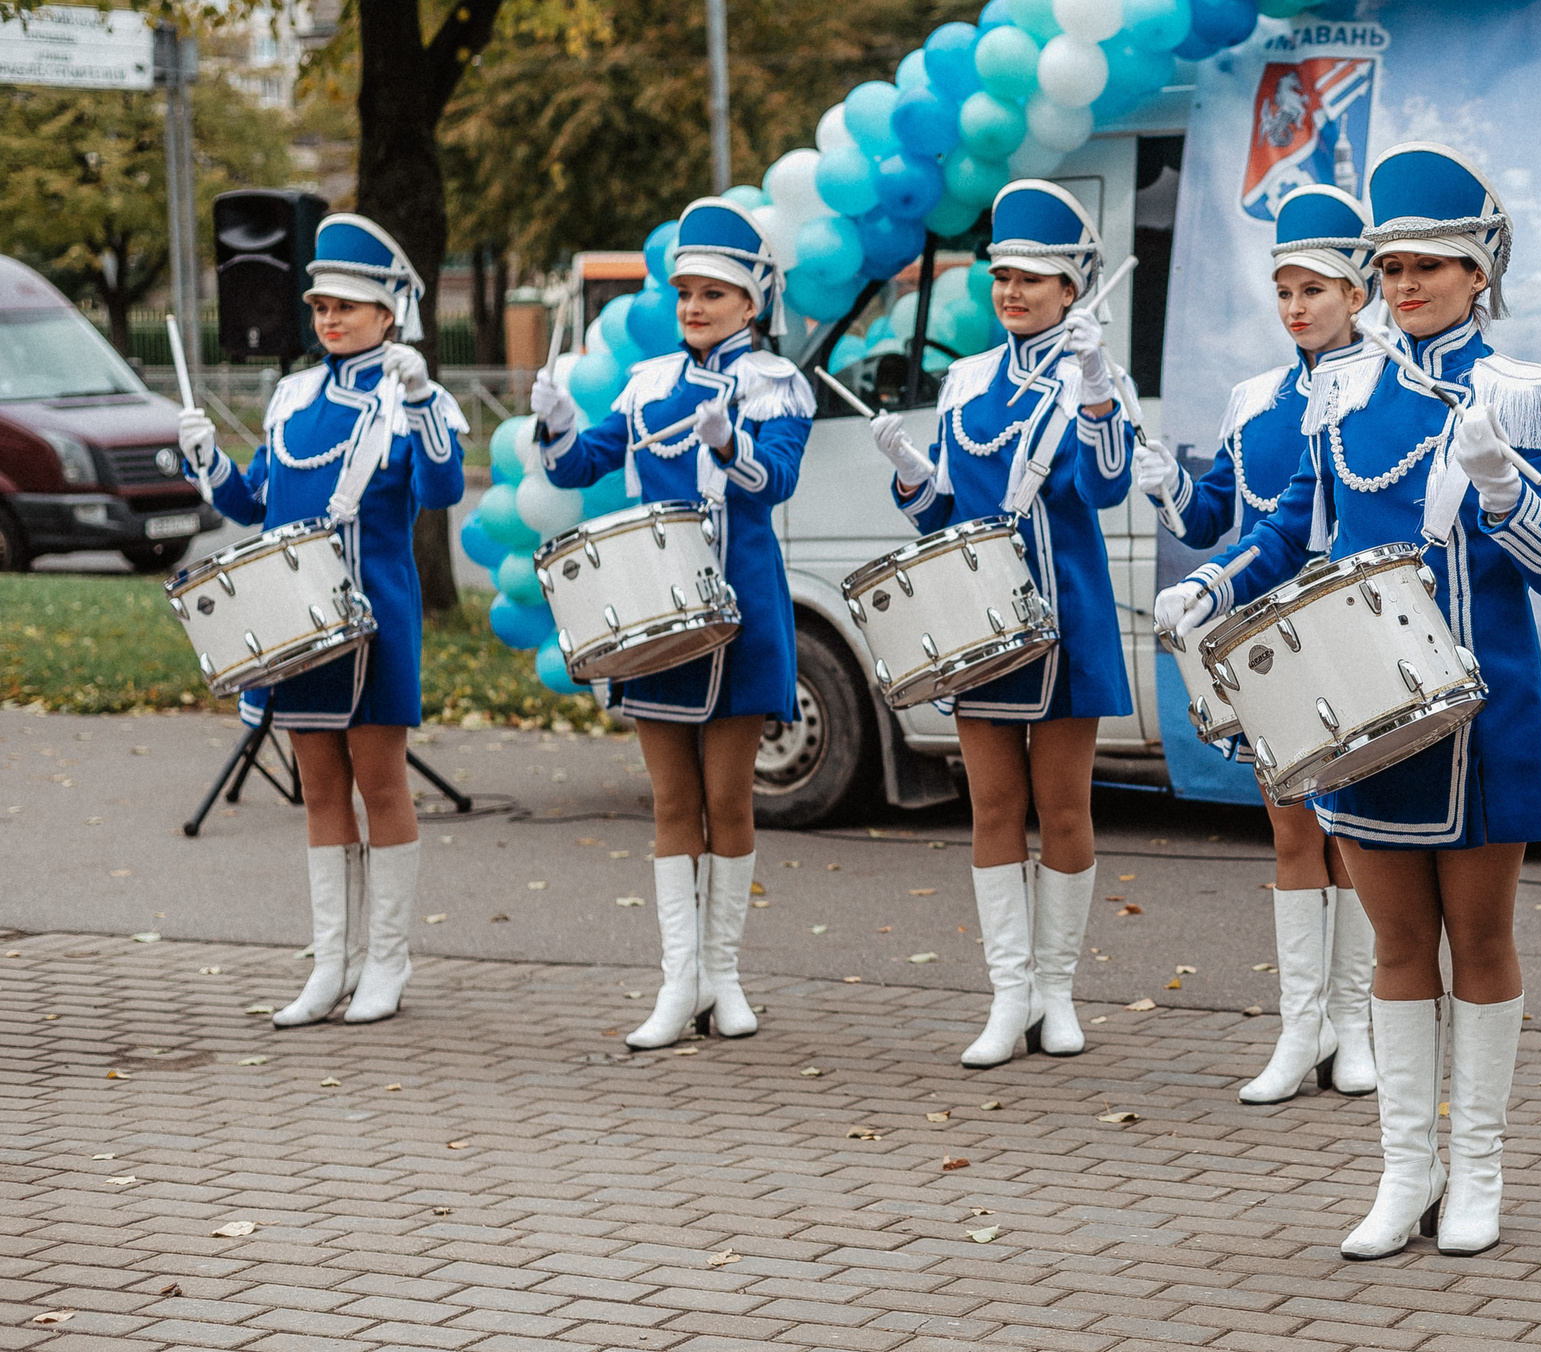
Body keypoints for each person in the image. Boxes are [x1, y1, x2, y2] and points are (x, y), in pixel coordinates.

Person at [1156, 144, 1541, 1260]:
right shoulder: (1340, 390)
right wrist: (1212, 578)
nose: (1404, 286)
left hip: (1486, 709)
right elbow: (1287, 525)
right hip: (1359, 704)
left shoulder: (1523, 395)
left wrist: (1506, 491)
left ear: (1478, 273)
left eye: (1429, 267)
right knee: (1399, 941)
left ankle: (1480, 1168)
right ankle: (1406, 1169)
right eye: (1390, 266)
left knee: (1479, 938)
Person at [532, 198, 814, 1051]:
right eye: (686, 291)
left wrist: (733, 447)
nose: (694, 306)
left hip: (742, 612)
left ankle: (723, 978)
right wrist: (555, 420)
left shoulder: (778, 384)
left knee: (729, 800)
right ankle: (675, 981)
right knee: (670, 802)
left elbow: (778, 484)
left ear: (752, 304)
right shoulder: (648, 381)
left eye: (714, 294)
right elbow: (584, 465)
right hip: (655, 617)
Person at [176, 214, 468, 1028]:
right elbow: (254, 501)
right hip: (294, 624)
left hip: (375, 618)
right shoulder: (294, 395)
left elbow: (441, 491)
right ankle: (331, 963)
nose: (329, 320)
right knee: (318, 790)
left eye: (347, 306)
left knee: (381, 782)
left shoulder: (415, 397)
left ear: (390, 312)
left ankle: (389, 960)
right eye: (320, 307)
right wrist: (208, 462)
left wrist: (417, 396)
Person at [866, 180, 1134, 1068]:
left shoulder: (1094, 375)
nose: (1013, 292)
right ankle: (1006, 994)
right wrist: (911, 472)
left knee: (1062, 807)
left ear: (1072, 287)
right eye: (1002, 276)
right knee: (991, 807)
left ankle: (1055, 992)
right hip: (979, 626)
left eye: (1032, 278)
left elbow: (1106, 488)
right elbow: (945, 514)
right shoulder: (968, 378)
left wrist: (1096, 393)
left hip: (1070, 615)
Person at [1134, 184, 1377, 1106]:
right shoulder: (1255, 400)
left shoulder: (1392, 388)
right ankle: (1300, 1029)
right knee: (1288, 830)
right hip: (1270, 641)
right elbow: (1216, 523)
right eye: (1284, 290)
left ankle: (1354, 1023)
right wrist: (1167, 487)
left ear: (1359, 293)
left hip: (1351, 637)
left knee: (1351, 830)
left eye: (1314, 288)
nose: (1296, 306)